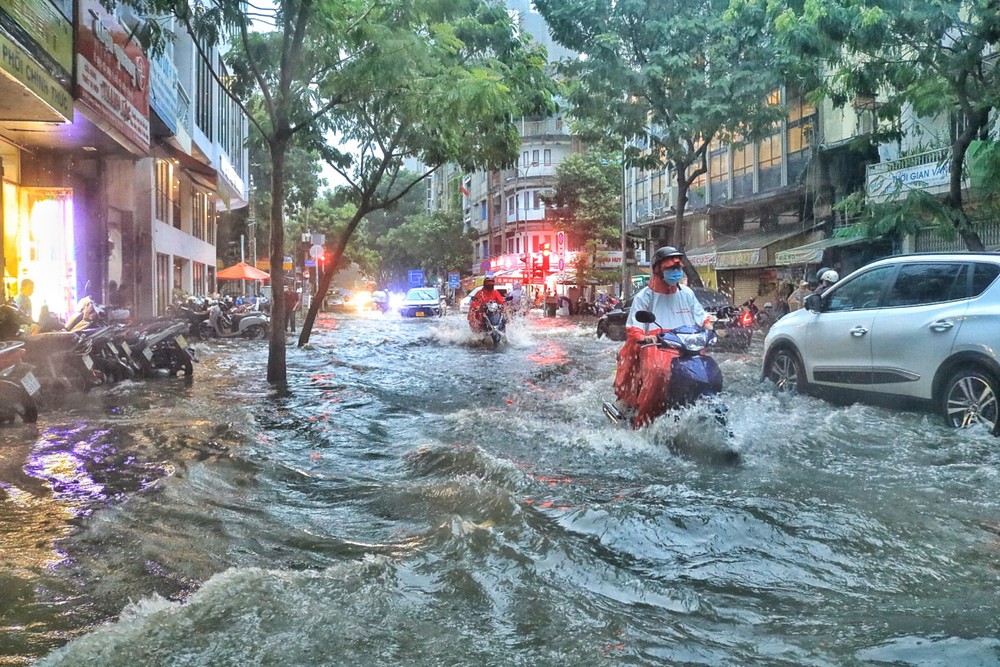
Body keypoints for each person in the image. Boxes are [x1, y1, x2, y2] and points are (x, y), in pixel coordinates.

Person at [613, 246, 713, 428]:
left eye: (677, 268)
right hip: (656, 346)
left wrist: (708, 326)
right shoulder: (645, 296)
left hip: (684, 346)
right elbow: (633, 327)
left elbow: (702, 316)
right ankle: (642, 421)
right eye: (670, 268)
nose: (676, 272)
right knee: (658, 373)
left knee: (707, 371)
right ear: (658, 270)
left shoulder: (687, 293)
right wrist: (644, 337)